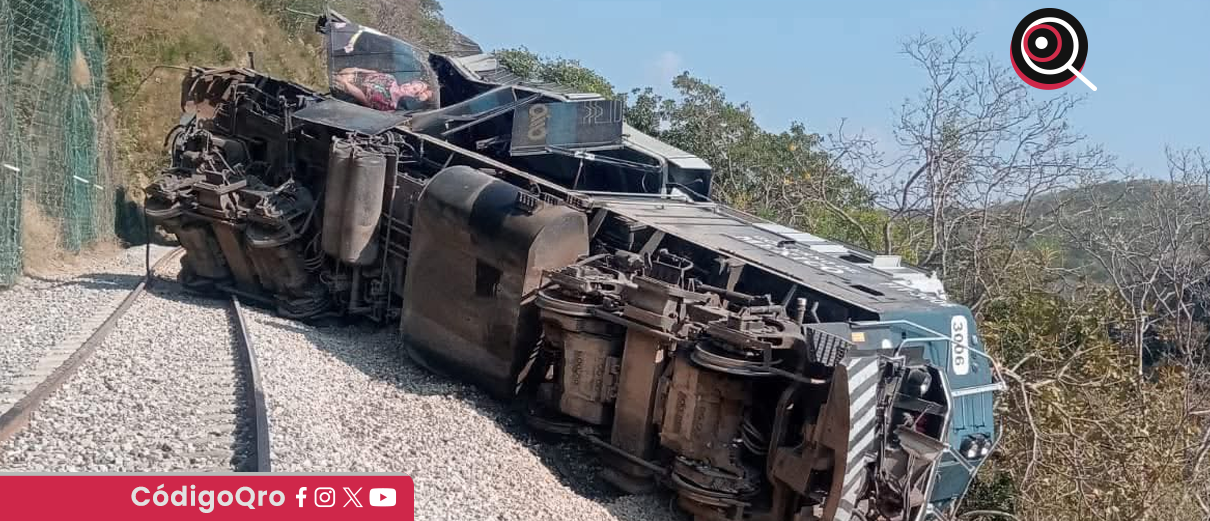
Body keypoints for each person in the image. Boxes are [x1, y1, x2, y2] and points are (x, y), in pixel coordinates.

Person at [332, 67, 435, 112]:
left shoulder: (390, 106)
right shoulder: (391, 78)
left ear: (413, 96)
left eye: (413, 89)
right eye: (411, 83)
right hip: (341, 77)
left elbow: (362, 99)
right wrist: (354, 70)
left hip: (341, 94)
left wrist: (344, 83)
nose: (407, 86)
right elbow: (367, 72)